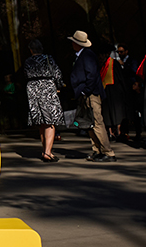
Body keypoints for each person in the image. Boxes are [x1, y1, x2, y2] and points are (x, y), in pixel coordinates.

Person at [68, 30, 115, 162]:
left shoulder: (87, 55)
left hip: (91, 94)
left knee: (96, 122)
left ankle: (107, 152)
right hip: (87, 93)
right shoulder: (82, 55)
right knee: (90, 123)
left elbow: (92, 74)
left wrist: (86, 91)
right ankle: (97, 150)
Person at [19, 39, 63, 162]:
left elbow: (25, 74)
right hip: (47, 87)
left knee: (41, 122)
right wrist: (58, 86)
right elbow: (57, 73)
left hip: (33, 89)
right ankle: (48, 153)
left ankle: (45, 150)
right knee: (50, 121)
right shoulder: (48, 58)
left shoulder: (28, 61)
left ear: (31, 50)